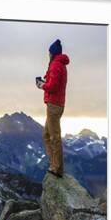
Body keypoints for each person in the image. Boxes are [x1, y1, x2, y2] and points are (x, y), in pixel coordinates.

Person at [36, 39, 70, 178]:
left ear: (52, 53)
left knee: (54, 137)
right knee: (46, 135)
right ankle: (54, 164)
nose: (48, 55)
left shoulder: (56, 65)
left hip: (54, 105)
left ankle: (57, 168)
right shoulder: (60, 65)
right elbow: (54, 83)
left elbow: (54, 87)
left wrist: (42, 86)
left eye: (49, 53)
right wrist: (45, 82)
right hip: (56, 104)